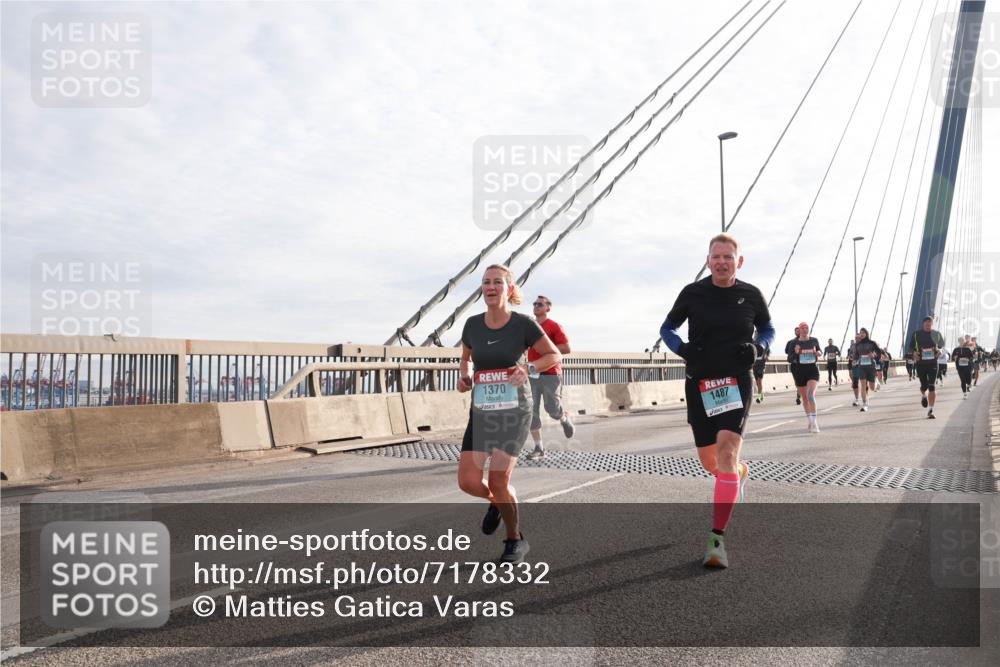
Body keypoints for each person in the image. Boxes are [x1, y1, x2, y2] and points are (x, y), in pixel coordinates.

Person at [661, 233, 775, 569]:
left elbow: (767, 329)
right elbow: (667, 328)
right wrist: (682, 349)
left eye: (728, 257)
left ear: (739, 261)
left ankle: (716, 540)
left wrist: (758, 348)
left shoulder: (751, 294)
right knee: (710, 463)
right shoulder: (692, 293)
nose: (722, 262)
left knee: (726, 451)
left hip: (736, 382)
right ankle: (737, 473)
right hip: (700, 383)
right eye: (716, 256)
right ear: (708, 260)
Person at [456, 264, 561, 563]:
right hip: (482, 411)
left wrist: (528, 368)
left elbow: (553, 354)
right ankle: (499, 502)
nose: (491, 287)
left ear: (510, 289)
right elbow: (465, 358)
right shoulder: (472, 325)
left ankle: (515, 539)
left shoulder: (523, 324)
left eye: (498, 282)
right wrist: (464, 376)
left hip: (515, 410)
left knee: (499, 480)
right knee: (468, 482)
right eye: (486, 282)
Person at [526, 295, 575, 460]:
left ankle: (563, 417)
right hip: (532, 373)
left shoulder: (554, 326)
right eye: (535, 304)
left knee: (552, 409)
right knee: (531, 411)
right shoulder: (530, 326)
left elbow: (566, 348)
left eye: (540, 304)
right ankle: (539, 448)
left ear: (548, 308)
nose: (536, 306)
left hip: (551, 373)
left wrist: (546, 349)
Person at [908, 316, 945, 419]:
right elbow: (910, 347)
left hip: (933, 363)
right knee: (924, 386)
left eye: (930, 323)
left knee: (932, 386)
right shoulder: (916, 334)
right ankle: (924, 395)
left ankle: (930, 410)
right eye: (926, 323)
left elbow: (941, 346)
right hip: (921, 363)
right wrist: (913, 353)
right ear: (923, 324)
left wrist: (940, 350)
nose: (928, 324)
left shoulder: (937, 334)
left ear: (932, 324)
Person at [791, 323, 822, 433]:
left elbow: (819, 351)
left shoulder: (814, 340)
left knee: (810, 394)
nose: (804, 330)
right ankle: (810, 420)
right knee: (804, 398)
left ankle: (815, 423)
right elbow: (790, 358)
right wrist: (796, 352)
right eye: (802, 328)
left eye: (806, 328)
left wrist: (818, 353)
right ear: (799, 330)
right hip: (800, 372)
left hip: (812, 371)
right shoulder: (794, 343)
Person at [853, 328, 880, 412]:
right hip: (862, 367)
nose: (861, 334)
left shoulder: (872, 343)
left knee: (872, 388)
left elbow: (878, 352)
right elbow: (856, 355)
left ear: (866, 334)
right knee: (863, 385)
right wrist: (855, 361)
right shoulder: (857, 345)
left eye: (863, 333)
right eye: (860, 333)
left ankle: (876, 383)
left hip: (871, 367)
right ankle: (865, 404)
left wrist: (874, 355)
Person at [786, 327, 802, 406]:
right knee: (797, 381)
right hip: (794, 364)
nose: (798, 332)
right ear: (795, 333)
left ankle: (799, 396)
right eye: (796, 331)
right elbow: (787, 352)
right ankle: (799, 395)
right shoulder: (791, 342)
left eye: (799, 331)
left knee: (802, 381)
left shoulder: (806, 341)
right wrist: (795, 352)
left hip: (803, 364)